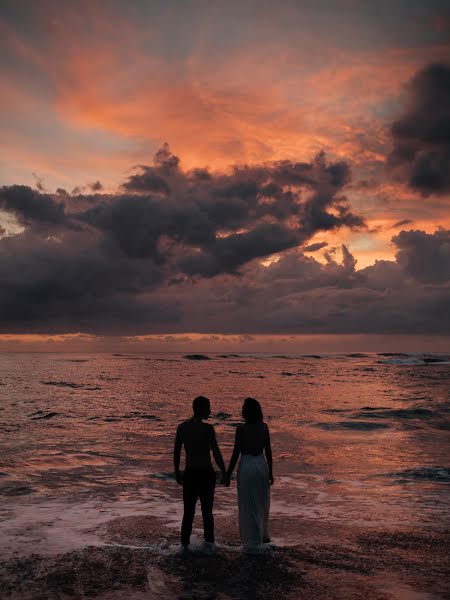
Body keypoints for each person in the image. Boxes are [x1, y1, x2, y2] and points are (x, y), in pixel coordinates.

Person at [174, 395, 227, 552]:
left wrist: (177, 471)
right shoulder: (207, 429)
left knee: (188, 513)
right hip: (205, 474)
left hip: (190, 474)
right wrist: (224, 471)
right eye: (207, 408)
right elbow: (216, 453)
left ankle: (184, 547)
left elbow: (176, 452)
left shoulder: (182, 427)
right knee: (207, 513)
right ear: (199, 409)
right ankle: (209, 546)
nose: (210, 411)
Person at [225, 397, 274, 553]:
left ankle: (251, 540)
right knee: (261, 501)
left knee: (247, 503)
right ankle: (262, 536)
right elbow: (268, 452)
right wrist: (271, 472)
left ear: (246, 412)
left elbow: (235, 453)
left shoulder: (241, 429)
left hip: (246, 466)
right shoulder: (264, 427)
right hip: (261, 465)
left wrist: (228, 473)